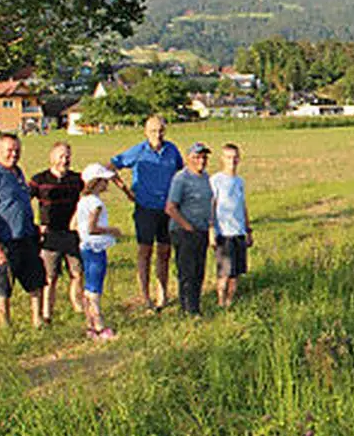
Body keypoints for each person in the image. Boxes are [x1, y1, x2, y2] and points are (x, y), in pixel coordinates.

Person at [108, 114, 183, 311]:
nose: (157, 135)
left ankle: (162, 294)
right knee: (145, 251)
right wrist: (126, 191)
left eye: (160, 131)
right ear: (146, 132)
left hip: (167, 209)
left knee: (165, 251)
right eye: (153, 131)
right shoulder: (138, 151)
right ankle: (145, 296)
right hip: (145, 208)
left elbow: (181, 173)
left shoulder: (172, 150)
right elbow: (111, 166)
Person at [0, 134, 46, 328]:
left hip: (27, 238)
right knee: (4, 286)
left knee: (36, 281)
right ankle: (5, 326)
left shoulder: (18, 173)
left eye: (17, 150)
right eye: (9, 150)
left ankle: (38, 321)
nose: (14, 154)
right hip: (6, 241)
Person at [28, 142, 85, 321]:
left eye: (67, 156)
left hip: (71, 234)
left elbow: (91, 192)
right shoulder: (40, 180)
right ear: (52, 158)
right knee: (50, 277)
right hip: (50, 235)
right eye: (61, 156)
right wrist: (35, 225)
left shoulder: (77, 179)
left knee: (77, 273)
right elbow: (24, 201)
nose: (65, 160)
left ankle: (78, 306)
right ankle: (47, 313)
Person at [74, 163, 122, 340]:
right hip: (96, 248)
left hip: (85, 246)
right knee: (95, 288)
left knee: (88, 287)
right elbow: (92, 227)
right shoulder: (96, 203)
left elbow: (75, 225)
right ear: (96, 182)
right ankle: (99, 326)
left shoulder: (82, 201)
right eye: (103, 180)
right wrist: (112, 230)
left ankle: (90, 325)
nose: (106, 184)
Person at [165, 142, 213, 316]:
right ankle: (188, 309)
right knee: (188, 271)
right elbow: (170, 207)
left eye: (204, 157)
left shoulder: (206, 178)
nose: (201, 161)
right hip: (184, 231)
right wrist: (188, 228)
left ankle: (194, 305)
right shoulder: (181, 178)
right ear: (188, 159)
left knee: (199, 271)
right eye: (197, 157)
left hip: (202, 229)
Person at [210, 143, 252, 308]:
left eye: (235, 157)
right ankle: (220, 301)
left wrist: (248, 230)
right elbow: (211, 206)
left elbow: (243, 206)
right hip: (224, 233)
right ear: (222, 159)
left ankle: (230, 301)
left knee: (236, 272)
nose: (232, 161)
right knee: (224, 272)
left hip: (238, 231)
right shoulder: (216, 180)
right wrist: (211, 230)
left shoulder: (239, 181)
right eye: (228, 157)